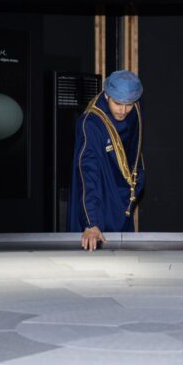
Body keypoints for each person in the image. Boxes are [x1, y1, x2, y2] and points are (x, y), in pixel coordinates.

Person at [69, 70, 146, 251]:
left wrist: (138, 181)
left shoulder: (134, 107)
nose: (123, 110)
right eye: (118, 103)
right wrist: (91, 222)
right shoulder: (91, 123)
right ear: (106, 95)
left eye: (128, 104)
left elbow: (135, 150)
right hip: (99, 193)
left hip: (123, 193)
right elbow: (88, 172)